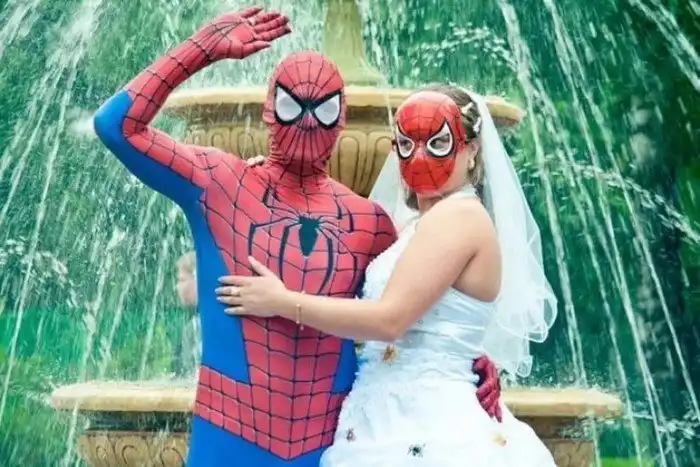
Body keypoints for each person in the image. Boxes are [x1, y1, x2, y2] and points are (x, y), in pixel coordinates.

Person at [92, 6, 502, 466]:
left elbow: (408, 306)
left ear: (341, 119)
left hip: (331, 442)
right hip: (228, 432)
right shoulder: (219, 183)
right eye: (293, 105)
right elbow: (115, 125)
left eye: (323, 110)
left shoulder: (369, 223)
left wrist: (467, 359)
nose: (307, 121)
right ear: (268, 110)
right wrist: (204, 46)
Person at [217, 84, 559, 466]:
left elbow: (390, 319)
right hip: (387, 416)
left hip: (431, 426)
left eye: (438, 143)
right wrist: (275, 178)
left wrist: (282, 302)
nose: (420, 157)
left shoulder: (459, 216)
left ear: (472, 149)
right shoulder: (415, 227)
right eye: (407, 144)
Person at [174, 252, 201, 377]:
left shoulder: (197, 327)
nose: (177, 287)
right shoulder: (195, 325)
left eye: (181, 280)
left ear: (198, 280)